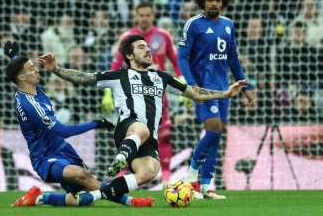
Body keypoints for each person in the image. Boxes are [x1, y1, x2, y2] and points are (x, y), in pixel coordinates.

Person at [39, 34, 247, 206]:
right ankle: (121, 157)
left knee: (149, 173)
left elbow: (196, 93)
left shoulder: (162, 78)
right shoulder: (119, 75)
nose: (148, 50)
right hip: (128, 128)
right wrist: (56, 70)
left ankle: (87, 196)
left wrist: (226, 94)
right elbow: (85, 77)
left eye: (148, 46)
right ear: (129, 55)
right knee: (143, 129)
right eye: (141, 47)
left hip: (148, 138)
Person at [3, 41, 153, 207]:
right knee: (83, 175)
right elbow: (64, 130)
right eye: (32, 69)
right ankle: (133, 202)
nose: (37, 69)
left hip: (62, 149)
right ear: (22, 77)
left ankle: (38, 198)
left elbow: (17, 70)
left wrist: (13, 55)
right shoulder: (30, 105)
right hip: (44, 157)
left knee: (82, 198)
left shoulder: (27, 84)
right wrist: (96, 123)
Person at [177, 0, 254, 199]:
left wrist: (244, 86)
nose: (214, 4)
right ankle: (190, 176)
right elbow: (182, 57)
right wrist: (192, 84)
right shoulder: (194, 24)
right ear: (203, 1)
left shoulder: (228, 24)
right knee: (213, 129)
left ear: (224, 2)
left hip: (224, 90)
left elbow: (233, 59)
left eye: (218, 0)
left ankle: (205, 186)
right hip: (203, 89)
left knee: (216, 134)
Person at [101, 2, 183, 181]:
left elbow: (176, 61)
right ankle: (122, 171)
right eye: (141, 15)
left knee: (164, 134)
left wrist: (181, 78)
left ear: (153, 16)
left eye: (148, 15)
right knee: (130, 132)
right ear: (135, 16)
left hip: (157, 94)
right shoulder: (127, 38)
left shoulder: (163, 36)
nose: (144, 18)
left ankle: (166, 177)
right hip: (132, 94)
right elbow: (116, 65)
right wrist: (107, 93)